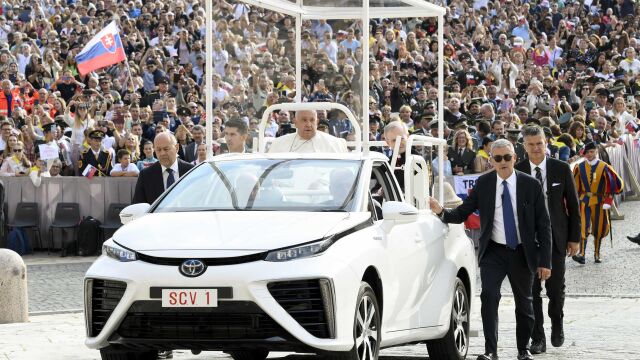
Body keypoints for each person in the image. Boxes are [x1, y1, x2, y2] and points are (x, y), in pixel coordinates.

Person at [429, 139, 552, 360]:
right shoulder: (484, 184)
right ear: (491, 161)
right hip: (493, 251)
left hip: (522, 252)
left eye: (507, 157)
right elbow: (463, 212)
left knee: (524, 303)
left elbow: (544, 225)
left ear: (515, 158)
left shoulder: (530, 185)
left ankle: (523, 350)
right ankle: (490, 350)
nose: (503, 162)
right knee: (489, 296)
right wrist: (441, 213)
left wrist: (545, 261)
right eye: (498, 158)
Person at [515, 125, 581, 354]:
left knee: (555, 289)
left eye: (539, 143)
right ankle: (538, 337)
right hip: (527, 241)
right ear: (524, 146)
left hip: (556, 238)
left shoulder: (561, 169)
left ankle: (558, 321)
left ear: (546, 143)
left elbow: (573, 205)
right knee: (531, 291)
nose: (535, 148)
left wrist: (574, 238)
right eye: (531, 144)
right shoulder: (517, 170)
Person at [572, 141, 624, 264]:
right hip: (584, 200)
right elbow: (574, 185)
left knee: (599, 227)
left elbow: (614, 184)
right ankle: (582, 254)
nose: (590, 154)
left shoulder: (604, 167)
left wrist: (608, 199)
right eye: (587, 152)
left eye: (592, 152)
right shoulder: (579, 167)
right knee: (583, 227)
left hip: (599, 201)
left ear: (596, 152)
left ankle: (597, 253)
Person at [132, 132, 194, 204]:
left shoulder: (191, 171)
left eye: (166, 149)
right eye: (158, 150)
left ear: (177, 148)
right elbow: (138, 205)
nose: (162, 153)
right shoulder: (145, 175)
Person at [268, 110, 348, 153]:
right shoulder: (279, 143)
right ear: (295, 123)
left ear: (317, 122)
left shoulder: (334, 143)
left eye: (312, 120)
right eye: (304, 120)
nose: (308, 124)